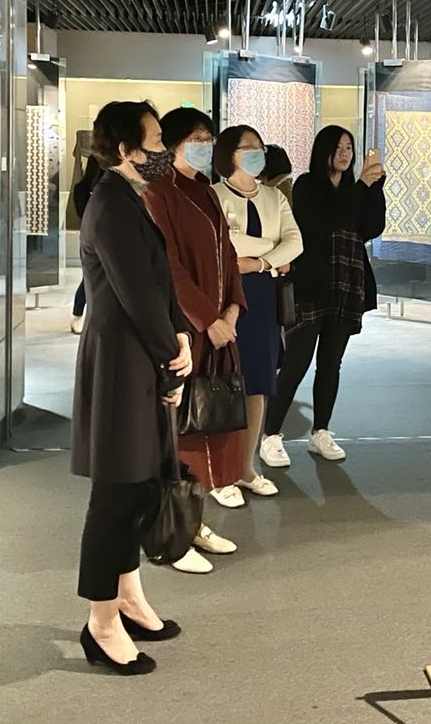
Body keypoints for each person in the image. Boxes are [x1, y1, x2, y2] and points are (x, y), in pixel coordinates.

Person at [71, 100, 192, 674]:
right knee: (117, 492)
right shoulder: (111, 205)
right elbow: (137, 295)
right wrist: (172, 355)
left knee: (140, 482)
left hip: (139, 354)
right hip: (122, 361)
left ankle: (128, 596)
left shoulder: (129, 197)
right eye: (155, 142)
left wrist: (179, 335)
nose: (163, 152)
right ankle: (100, 620)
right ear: (125, 150)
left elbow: (157, 283)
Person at [143, 107, 247, 572]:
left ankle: (194, 520)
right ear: (172, 143)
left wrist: (233, 308)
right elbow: (168, 266)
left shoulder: (204, 189)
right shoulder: (158, 191)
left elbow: (227, 252)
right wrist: (207, 319)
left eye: (209, 137)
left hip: (218, 326)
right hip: (184, 329)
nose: (205, 145)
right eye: (197, 137)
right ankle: (172, 533)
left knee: (209, 423)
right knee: (179, 430)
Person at [261, 126, 386, 466]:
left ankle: (321, 431)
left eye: (350, 148)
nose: (345, 154)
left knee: (331, 363)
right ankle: (270, 434)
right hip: (312, 286)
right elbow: (326, 221)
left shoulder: (354, 188)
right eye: (338, 147)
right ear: (323, 150)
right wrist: (361, 188)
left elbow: (371, 227)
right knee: (296, 362)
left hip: (347, 282)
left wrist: (375, 189)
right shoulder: (307, 185)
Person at [213, 125, 304, 497]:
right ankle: (220, 473)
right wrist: (271, 249)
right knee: (224, 383)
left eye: (260, 147)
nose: (257, 153)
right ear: (229, 154)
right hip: (225, 296)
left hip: (263, 295)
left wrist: (260, 262)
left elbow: (295, 242)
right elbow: (225, 244)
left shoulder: (273, 196)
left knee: (258, 383)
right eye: (248, 147)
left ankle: (245, 469)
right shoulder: (214, 195)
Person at [70, 151, 103, 334]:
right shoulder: (92, 190)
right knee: (90, 278)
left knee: (90, 277)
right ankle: (77, 315)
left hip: (89, 236)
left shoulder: (84, 189)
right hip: (93, 237)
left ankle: (80, 315)